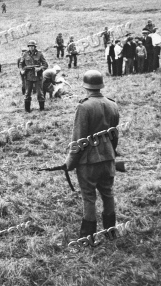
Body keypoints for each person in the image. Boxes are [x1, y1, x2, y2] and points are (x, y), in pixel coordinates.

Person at [64, 70, 120, 240]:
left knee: (89, 197)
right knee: (108, 193)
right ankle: (111, 232)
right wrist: (111, 153)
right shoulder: (113, 104)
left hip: (89, 162)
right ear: (100, 85)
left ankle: (88, 236)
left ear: (86, 87)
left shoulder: (84, 107)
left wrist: (70, 162)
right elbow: (114, 135)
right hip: (108, 157)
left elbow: (78, 139)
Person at [21, 40, 48, 112]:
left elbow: (45, 65)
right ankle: (27, 110)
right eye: (30, 46)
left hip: (38, 77)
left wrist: (39, 68)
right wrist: (24, 69)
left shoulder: (39, 54)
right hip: (28, 76)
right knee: (27, 93)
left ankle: (42, 109)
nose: (31, 48)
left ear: (35, 47)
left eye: (32, 46)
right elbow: (21, 64)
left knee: (40, 93)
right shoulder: (25, 54)